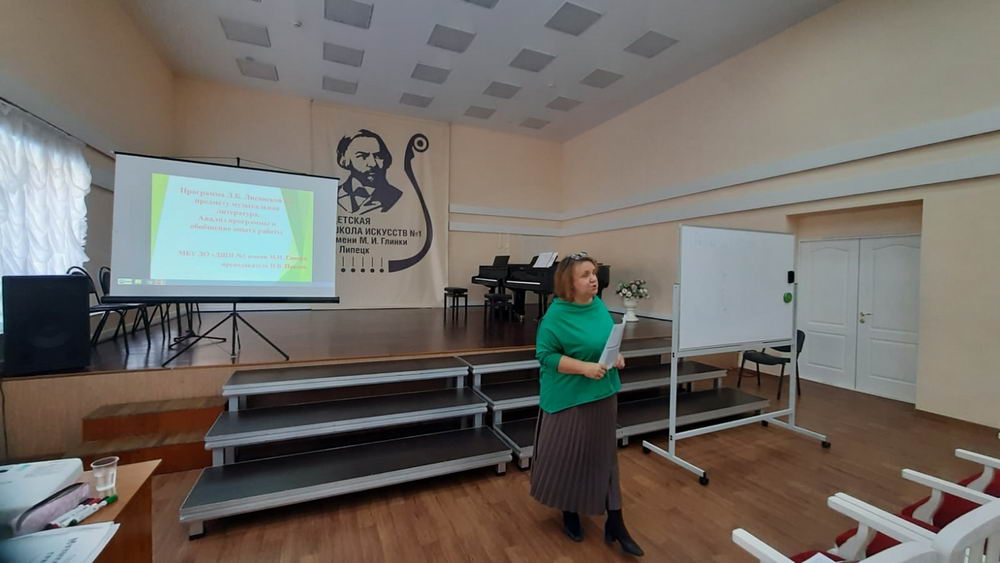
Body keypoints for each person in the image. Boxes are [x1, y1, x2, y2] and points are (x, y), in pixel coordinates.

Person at [530, 252, 644, 557]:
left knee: (605, 458)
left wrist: (616, 356)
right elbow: (545, 356)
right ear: (569, 282)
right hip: (568, 398)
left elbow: (606, 342)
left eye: (593, 273)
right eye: (585, 275)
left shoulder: (598, 306)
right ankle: (569, 510)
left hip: (602, 392)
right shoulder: (554, 317)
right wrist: (583, 368)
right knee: (569, 457)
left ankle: (616, 522)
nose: (593, 279)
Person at [335, 129, 403, 215]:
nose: (373, 164)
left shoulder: (397, 196)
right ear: (345, 159)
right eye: (362, 156)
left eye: (378, 156)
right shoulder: (333, 194)